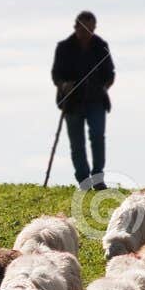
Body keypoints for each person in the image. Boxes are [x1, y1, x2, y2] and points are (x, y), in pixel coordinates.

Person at [51, 10, 116, 190]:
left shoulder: (101, 45)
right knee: (77, 143)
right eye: (84, 29)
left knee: (97, 137)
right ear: (76, 27)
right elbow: (56, 75)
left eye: (91, 29)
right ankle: (83, 180)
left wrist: (103, 87)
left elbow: (110, 74)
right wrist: (64, 85)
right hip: (72, 103)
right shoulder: (63, 47)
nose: (88, 33)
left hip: (96, 101)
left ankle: (98, 178)